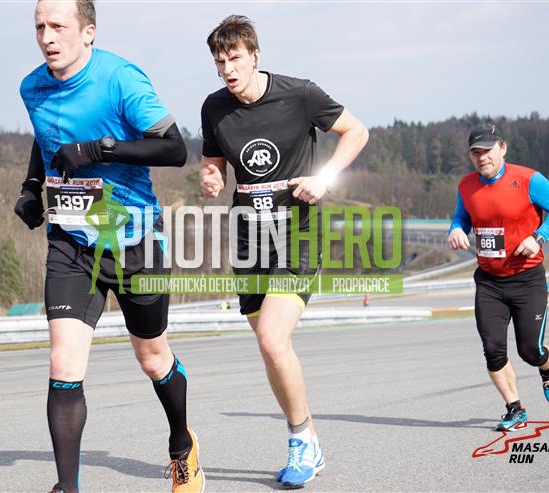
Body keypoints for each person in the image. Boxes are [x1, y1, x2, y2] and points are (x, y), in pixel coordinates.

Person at [14, 1, 202, 492]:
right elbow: (45, 139)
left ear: (88, 32)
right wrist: (32, 188)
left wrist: (99, 149)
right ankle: (68, 487)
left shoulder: (121, 79)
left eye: (58, 26)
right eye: (40, 26)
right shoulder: (32, 87)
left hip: (134, 240)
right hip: (71, 241)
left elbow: (175, 149)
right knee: (63, 362)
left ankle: (181, 444)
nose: (47, 37)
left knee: (153, 358)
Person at [199, 15, 368, 488]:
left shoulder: (300, 94)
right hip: (249, 239)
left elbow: (357, 132)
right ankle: (309, 436)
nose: (228, 70)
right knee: (271, 346)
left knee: (273, 340)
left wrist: (325, 178)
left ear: (255, 55)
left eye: (235, 58)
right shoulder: (214, 108)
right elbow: (213, 162)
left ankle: (300, 441)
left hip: (298, 234)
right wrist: (210, 177)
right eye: (219, 62)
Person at [448, 123, 549, 432]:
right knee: (493, 349)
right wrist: (456, 229)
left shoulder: (529, 179)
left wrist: (539, 237)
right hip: (489, 281)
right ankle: (515, 409)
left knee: (529, 351)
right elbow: (462, 215)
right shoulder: (466, 186)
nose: (482, 158)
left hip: (527, 279)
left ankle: (548, 367)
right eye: (475, 153)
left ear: (502, 148)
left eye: (487, 151)